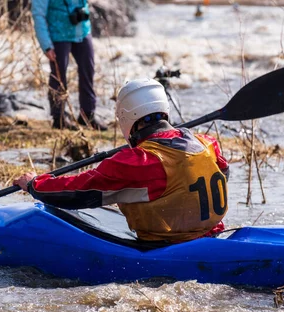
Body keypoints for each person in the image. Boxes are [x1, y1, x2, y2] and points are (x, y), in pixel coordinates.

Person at [14, 78, 229, 243]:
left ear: (127, 118)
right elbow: (223, 173)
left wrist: (35, 184)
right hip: (214, 238)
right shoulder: (207, 143)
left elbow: (78, 191)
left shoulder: (137, 161)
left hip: (167, 248)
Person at [31, 0, 108, 131]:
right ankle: (59, 118)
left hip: (82, 31)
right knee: (58, 75)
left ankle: (87, 116)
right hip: (58, 35)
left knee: (88, 71)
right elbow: (38, 14)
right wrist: (46, 45)